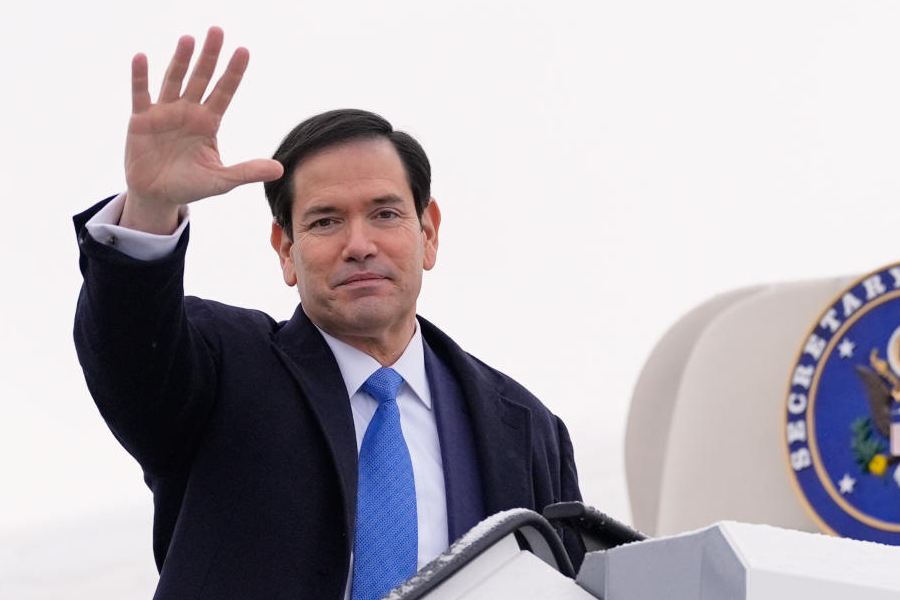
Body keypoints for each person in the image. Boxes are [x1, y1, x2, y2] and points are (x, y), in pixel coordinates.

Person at [73, 27, 582, 600]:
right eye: (325, 221)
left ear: (429, 232)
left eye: (385, 214)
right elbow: (130, 349)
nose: (359, 244)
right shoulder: (222, 371)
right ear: (285, 250)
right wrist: (150, 207)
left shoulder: (527, 428)